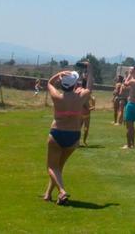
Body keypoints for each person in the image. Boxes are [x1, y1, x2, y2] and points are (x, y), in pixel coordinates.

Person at [43, 69, 90, 205]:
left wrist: (59, 74)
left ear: (63, 85)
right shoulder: (80, 97)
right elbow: (91, 86)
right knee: (59, 167)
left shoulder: (57, 97)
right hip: (74, 135)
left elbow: (49, 83)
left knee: (52, 167)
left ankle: (62, 191)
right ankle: (48, 194)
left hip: (57, 132)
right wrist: (90, 69)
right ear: (74, 85)